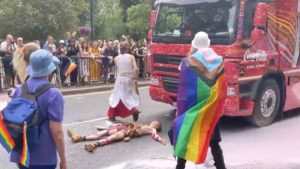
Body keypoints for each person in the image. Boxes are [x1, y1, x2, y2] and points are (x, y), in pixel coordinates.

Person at [169, 32, 227, 169]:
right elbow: (221, 86)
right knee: (213, 141)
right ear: (208, 43)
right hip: (210, 108)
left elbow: (183, 85)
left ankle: (180, 166)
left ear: (194, 44)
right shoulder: (219, 61)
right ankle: (221, 166)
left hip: (192, 108)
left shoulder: (188, 61)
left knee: (185, 134)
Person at [10, 49, 67, 169]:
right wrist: (63, 160)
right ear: (50, 70)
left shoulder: (20, 89)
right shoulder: (53, 94)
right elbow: (57, 132)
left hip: (23, 154)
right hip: (44, 157)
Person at [67, 120, 166, 152]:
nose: (154, 122)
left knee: (109, 138)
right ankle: (79, 138)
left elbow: (155, 135)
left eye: (156, 123)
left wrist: (161, 139)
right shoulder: (143, 125)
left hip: (126, 132)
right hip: (122, 127)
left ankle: (94, 145)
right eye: (154, 121)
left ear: (157, 126)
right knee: (101, 133)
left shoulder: (151, 129)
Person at [107, 42, 140, 122]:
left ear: (120, 49)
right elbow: (135, 68)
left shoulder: (116, 58)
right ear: (127, 48)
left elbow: (114, 66)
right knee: (127, 96)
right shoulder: (131, 57)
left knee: (117, 96)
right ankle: (133, 110)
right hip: (128, 78)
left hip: (120, 78)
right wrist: (134, 76)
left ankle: (113, 114)